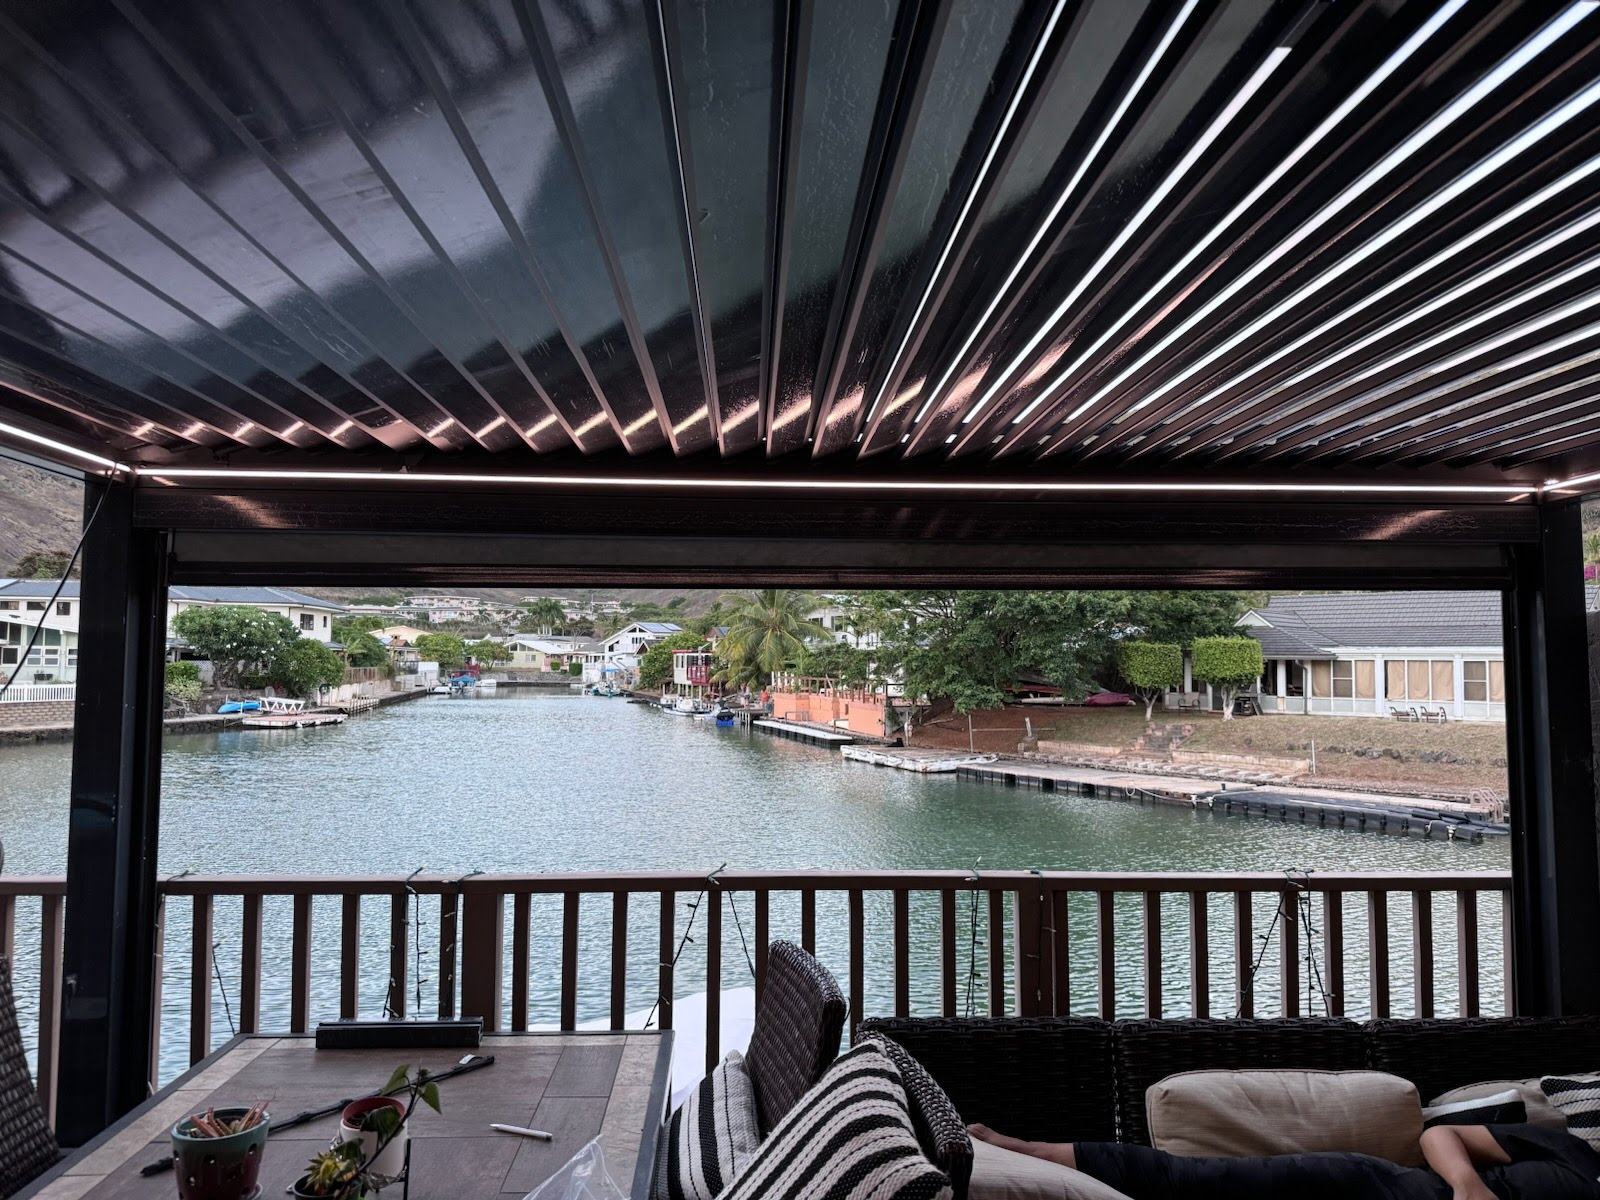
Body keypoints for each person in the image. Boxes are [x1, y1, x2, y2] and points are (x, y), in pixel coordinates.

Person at [967, 1120, 1600, 1200]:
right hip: (1378, 1185)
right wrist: (1468, 1188)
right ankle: (1021, 1150)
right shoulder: (1571, 1149)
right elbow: (1441, 1135)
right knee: (1190, 1181)